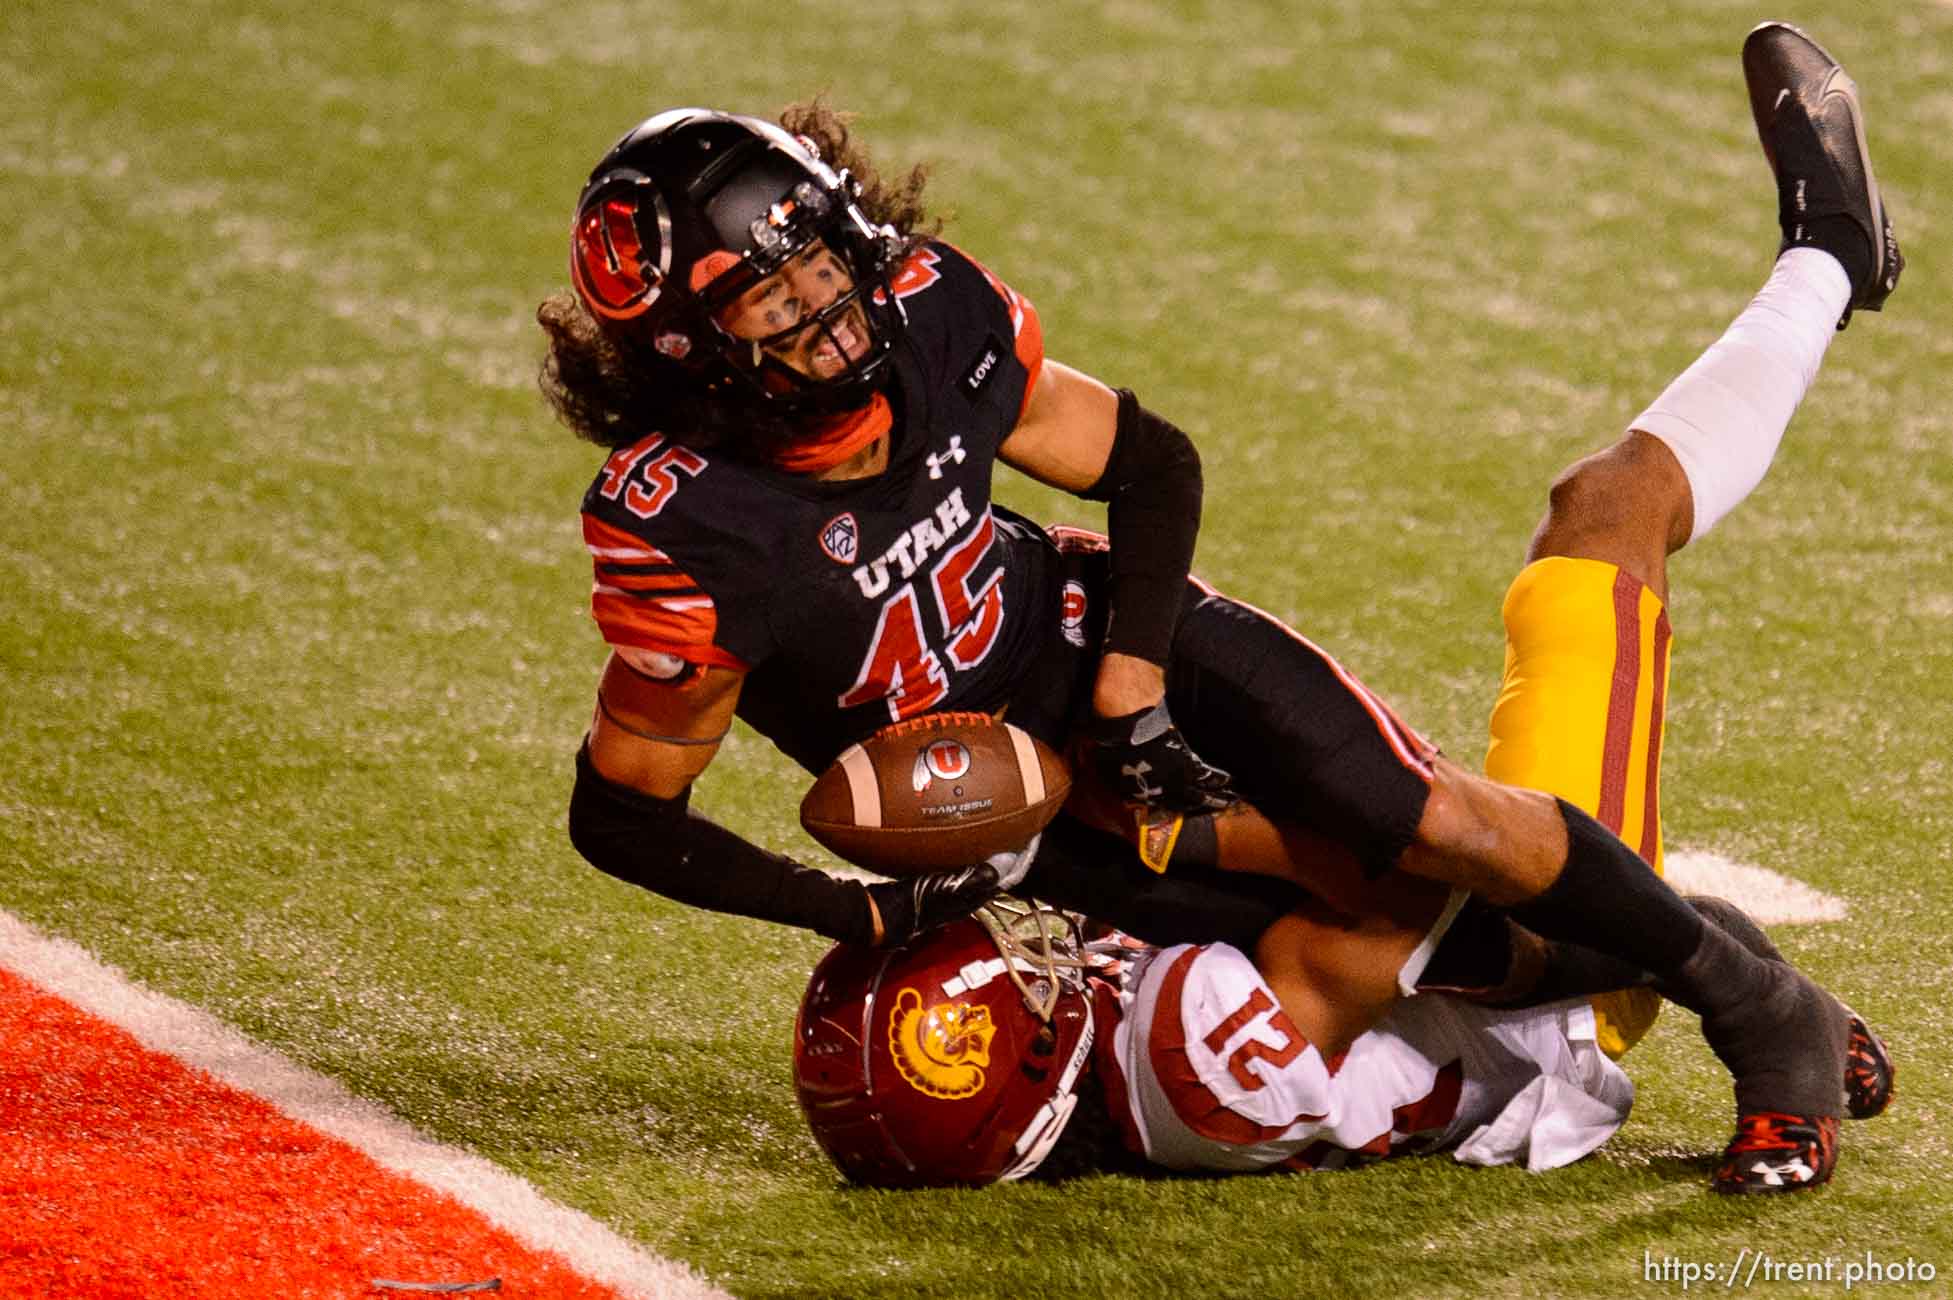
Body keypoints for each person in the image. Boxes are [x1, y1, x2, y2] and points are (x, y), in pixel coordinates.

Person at [541, 23, 1899, 1192]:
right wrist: (852, 910)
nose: (822, 304)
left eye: (816, 256)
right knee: (1397, 883)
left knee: (1423, 809)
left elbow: (1150, 461)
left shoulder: (924, 323)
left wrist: (1129, 685)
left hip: (1109, 655)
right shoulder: (700, 530)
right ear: (684, 351)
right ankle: (1711, 964)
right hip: (1033, 806)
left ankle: (1752, 1000)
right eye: (765, 295)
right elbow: (623, 807)